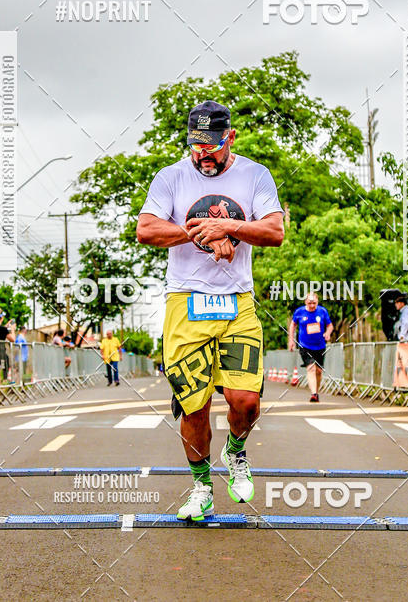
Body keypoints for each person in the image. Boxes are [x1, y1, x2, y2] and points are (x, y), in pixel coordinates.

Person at [137, 100, 284, 521]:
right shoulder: (171, 177)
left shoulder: (255, 175)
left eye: (212, 146)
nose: (202, 154)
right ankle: (201, 485)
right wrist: (200, 232)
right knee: (193, 404)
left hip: (237, 301)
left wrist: (231, 227)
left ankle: (235, 450)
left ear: (230, 139)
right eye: (195, 146)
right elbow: (146, 229)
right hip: (185, 301)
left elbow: (273, 231)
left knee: (246, 401)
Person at [288, 292, 333, 402]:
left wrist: (328, 333)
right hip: (305, 345)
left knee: (318, 371)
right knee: (311, 368)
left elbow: (330, 325)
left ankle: (316, 392)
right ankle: (314, 394)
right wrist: (291, 340)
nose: (312, 305)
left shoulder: (322, 311)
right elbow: (293, 325)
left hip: (320, 346)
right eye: (310, 303)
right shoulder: (299, 312)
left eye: (314, 303)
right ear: (305, 302)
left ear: (317, 302)